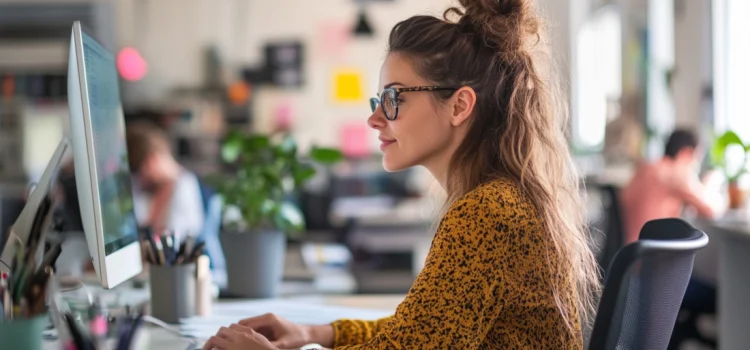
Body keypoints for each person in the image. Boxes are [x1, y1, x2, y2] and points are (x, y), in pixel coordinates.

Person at [202, 0, 600, 349]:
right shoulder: (499, 201)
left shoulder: (489, 212)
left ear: (459, 105)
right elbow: (421, 333)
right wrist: (315, 333)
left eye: (393, 99)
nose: (375, 118)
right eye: (379, 100)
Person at [620, 129, 723, 244]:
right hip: (652, 253)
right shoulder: (675, 173)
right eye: (697, 158)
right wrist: (710, 183)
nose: (696, 166)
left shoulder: (646, 168)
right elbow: (710, 210)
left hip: (629, 252)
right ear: (686, 153)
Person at [125, 121, 204, 238]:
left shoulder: (185, 186)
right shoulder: (153, 189)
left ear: (150, 162)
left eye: (140, 173)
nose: (141, 180)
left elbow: (175, 237)